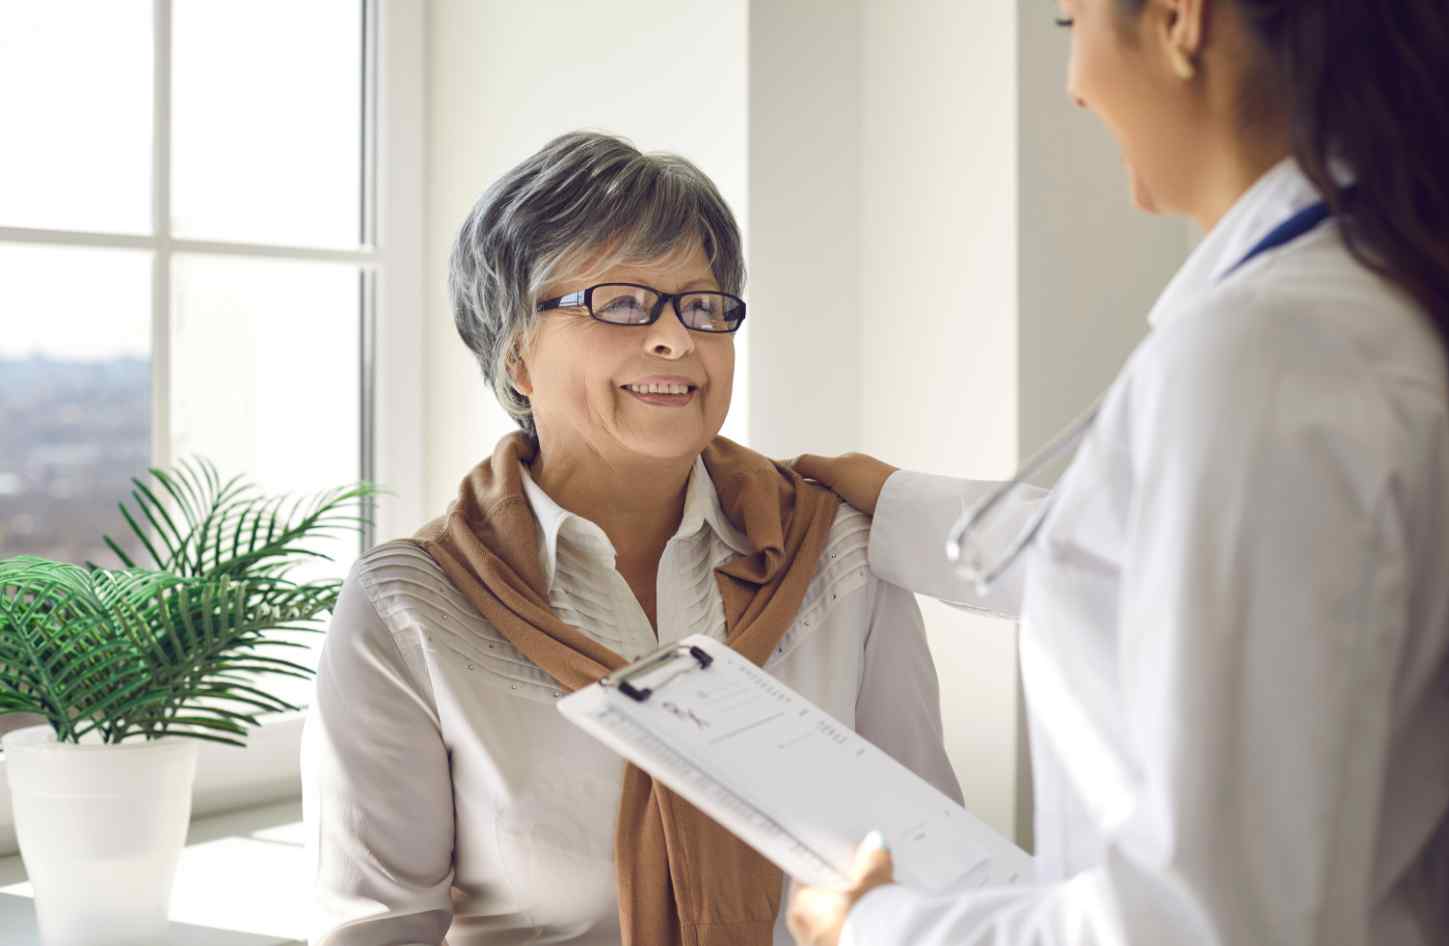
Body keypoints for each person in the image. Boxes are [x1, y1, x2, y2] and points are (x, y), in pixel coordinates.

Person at [785, 0, 1449, 944]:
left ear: (1180, 19)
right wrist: (887, 500)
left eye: (1069, 24)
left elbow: (1205, 924)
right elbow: (1162, 568)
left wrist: (881, 926)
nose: (1075, 85)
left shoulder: (1264, 355)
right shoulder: (1373, 312)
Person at [300, 131, 961, 946]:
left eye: (704, 305)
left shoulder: (838, 554)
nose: (676, 338)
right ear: (515, 356)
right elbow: (379, 928)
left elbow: (932, 878)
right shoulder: (411, 606)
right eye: (621, 302)